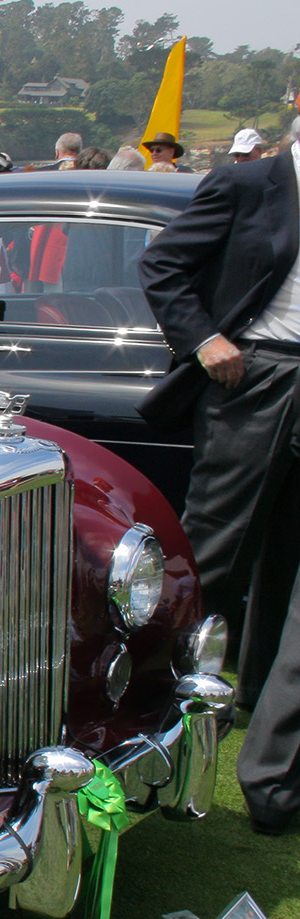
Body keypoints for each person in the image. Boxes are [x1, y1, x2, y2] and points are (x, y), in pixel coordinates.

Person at [138, 132, 300, 835]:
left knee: (287, 568)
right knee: (214, 556)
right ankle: (153, 717)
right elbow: (164, 266)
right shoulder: (249, 183)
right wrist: (204, 340)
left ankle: (272, 763)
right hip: (255, 375)